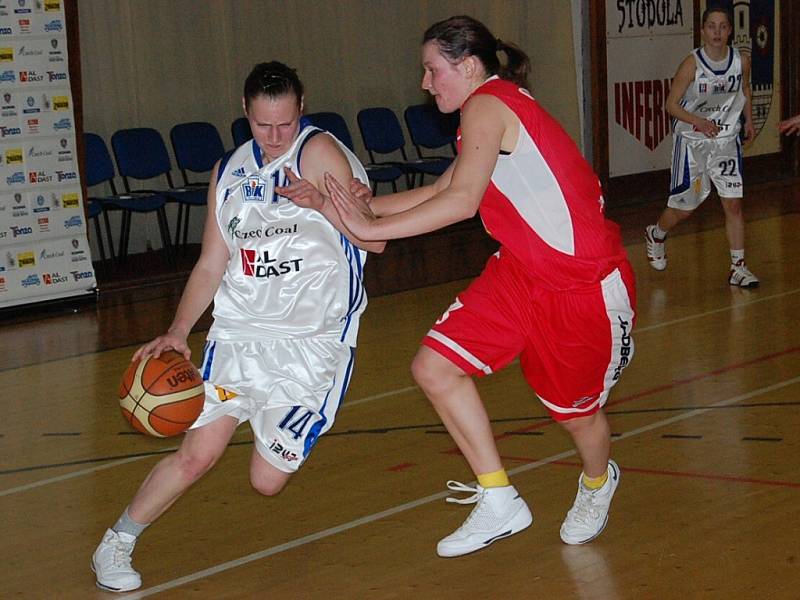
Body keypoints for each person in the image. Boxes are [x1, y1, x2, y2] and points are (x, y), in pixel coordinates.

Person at [324, 15, 636, 557]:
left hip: (581, 286)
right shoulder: (488, 108)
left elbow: (462, 202)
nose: (425, 83)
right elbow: (446, 186)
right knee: (434, 367)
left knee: (577, 415)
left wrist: (367, 227)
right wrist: (349, 208)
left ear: (467, 66)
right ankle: (498, 499)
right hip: (520, 273)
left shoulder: (487, 103)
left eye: (432, 70)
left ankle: (595, 481)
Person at [90, 61, 384, 592]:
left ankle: (274, 422)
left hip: (312, 344)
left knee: (266, 481)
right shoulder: (228, 172)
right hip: (239, 334)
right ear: (245, 112)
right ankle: (116, 542)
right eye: (262, 125)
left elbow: (375, 240)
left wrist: (322, 202)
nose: (274, 138)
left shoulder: (320, 155)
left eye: (285, 125)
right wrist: (180, 329)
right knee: (196, 453)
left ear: (302, 110)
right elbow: (210, 262)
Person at [645, 6, 758, 287]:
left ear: (730, 30)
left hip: (725, 140)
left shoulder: (741, 61)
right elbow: (670, 105)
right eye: (711, 26)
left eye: (722, 26)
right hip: (693, 142)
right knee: (685, 209)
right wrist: (698, 122)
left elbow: (745, 89)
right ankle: (656, 233)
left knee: (733, 204)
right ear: (703, 30)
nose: (717, 32)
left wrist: (749, 120)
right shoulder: (692, 64)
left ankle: (738, 267)